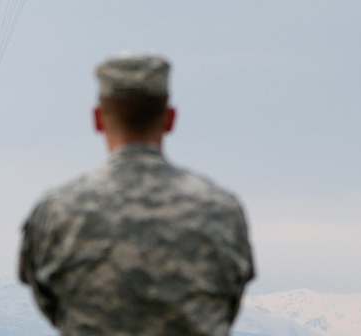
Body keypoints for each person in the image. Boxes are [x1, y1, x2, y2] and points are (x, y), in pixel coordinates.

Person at [17, 52, 255, 336]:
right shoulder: (221, 209)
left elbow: (50, 302)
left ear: (98, 119)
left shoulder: (57, 209)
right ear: (170, 119)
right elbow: (228, 300)